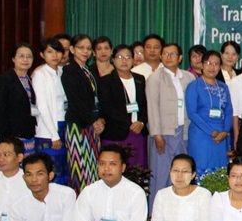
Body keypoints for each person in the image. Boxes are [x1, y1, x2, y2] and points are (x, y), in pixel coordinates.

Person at [146, 43, 195, 206]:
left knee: (183, 174)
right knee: (161, 175)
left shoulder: (189, 77)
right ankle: (155, 216)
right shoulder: (155, 78)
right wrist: (157, 134)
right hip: (164, 133)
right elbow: (152, 107)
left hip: (185, 132)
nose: (168, 57)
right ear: (161, 56)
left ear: (180, 58)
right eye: (165, 54)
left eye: (172, 54)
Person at [72, 145, 147, 221]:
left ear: (123, 167)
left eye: (112, 164)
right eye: (102, 163)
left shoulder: (135, 194)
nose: (106, 168)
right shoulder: (88, 192)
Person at [61, 34, 105, 190]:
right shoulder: (69, 70)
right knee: (80, 171)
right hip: (78, 126)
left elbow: (95, 99)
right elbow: (76, 101)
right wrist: (94, 120)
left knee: (92, 169)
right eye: (81, 48)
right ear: (72, 49)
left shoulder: (87, 70)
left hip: (91, 125)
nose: (85, 51)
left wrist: (100, 119)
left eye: (88, 48)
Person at [98, 45, 148, 169]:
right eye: (120, 57)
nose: (124, 61)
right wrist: (129, 123)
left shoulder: (139, 79)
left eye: (128, 57)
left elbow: (144, 104)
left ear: (132, 60)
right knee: (115, 169)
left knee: (138, 169)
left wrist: (141, 122)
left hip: (138, 132)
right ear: (113, 60)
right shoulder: (106, 81)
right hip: (116, 133)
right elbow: (107, 108)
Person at [7, 152, 75, 221]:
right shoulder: (17, 207)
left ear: (50, 176)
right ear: (24, 178)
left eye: (40, 174)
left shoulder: (66, 195)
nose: (34, 179)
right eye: (29, 175)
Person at [186, 51, 233, 175]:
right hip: (201, 135)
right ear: (202, 65)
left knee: (220, 171)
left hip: (221, 136)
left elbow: (228, 111)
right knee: (201, 169)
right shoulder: (194, 86)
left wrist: (225, 131)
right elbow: (192, 113)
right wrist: (211, 131)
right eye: (209, 63)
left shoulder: (223, 87)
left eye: (216, 64)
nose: (212, 67)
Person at [149, 154, 212, 221]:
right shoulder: (162, 195)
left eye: (185, 171)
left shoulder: (203, 195)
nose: (179, 175)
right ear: (169, 171)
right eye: (175, 170)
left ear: (193, 175)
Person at [33, 39, 69, 185]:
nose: (54, 55)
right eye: (49, 52)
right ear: (42, 54)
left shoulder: (62, 71)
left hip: (63, 125)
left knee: (63, 169)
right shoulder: (40, 74)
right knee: (51, 171)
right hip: (48, 131)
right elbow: (42, 107)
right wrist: (54, 135)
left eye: (57, 51)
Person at [0, 43, 37, 153]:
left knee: (27, 167)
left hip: (27, 134)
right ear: (13, 59)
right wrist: (6, 140)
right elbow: (0, 111)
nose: (25, 59)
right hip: (10, 135)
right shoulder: (4, 80)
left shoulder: (30, 79)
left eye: (29, 56)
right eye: (21, 56)